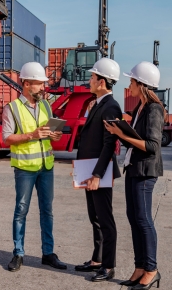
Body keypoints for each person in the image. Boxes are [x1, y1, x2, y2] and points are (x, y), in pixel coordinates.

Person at [104, 61, 165, 290]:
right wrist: (118, 131)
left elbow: (151, 146)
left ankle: (152, 269)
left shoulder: (153, 109)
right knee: (133, 218)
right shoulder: (140, 108)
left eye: (132, 81)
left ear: (142, 84)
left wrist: (122, 133)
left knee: (143, 220)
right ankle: (140, 267)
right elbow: (134, 141)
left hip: (145, 172)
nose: (129, 84)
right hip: (134, 168)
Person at [1, 62, 65, 272]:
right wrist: (32, 135)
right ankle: (18, 253)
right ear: (27, 84)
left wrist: (55, 135)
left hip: (46, 166)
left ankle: (48, 253)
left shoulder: (46, 105)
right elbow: (6, 139)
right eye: (39, 84)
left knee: (47, 211)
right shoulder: (12, 108)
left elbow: (52, 135)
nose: (42, 87)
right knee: (21, 210)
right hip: (25, 169)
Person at [74, 58, 123, 282]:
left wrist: (97, 175)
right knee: (94, 217)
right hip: (88, 170)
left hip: (98, 173)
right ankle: (97, 260)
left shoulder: (111, 106)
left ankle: (109, 265)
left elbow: (108, 144)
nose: (90, 80)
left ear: (102, 82)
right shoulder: (98, 103)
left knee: (105, 219)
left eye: (93, 77)